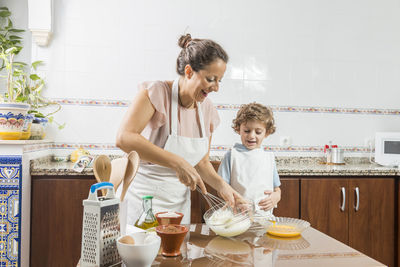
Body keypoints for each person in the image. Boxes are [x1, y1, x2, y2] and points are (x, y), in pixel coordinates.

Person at [116, 33, 243, 225]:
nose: (216, 87)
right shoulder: (157, 92)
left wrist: (223, 187)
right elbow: (124, 138)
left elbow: (201, 162)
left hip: (177, 207)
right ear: (189, 71)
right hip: (142, 202)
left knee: (174, 253)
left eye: (219, 81)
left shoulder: (207, 109)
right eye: (210, 79)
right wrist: (178, 163)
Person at [218, 102, 281, 217]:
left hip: (264, 219)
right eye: (247, 131)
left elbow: (277, 189)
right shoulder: (231, 156)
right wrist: (234, 200)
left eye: (258, 132)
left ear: (266, 133)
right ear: (238, 129)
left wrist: (276, 197)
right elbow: (221, 188)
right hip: (236, 218)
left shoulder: (269, 158)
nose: (252, 136)